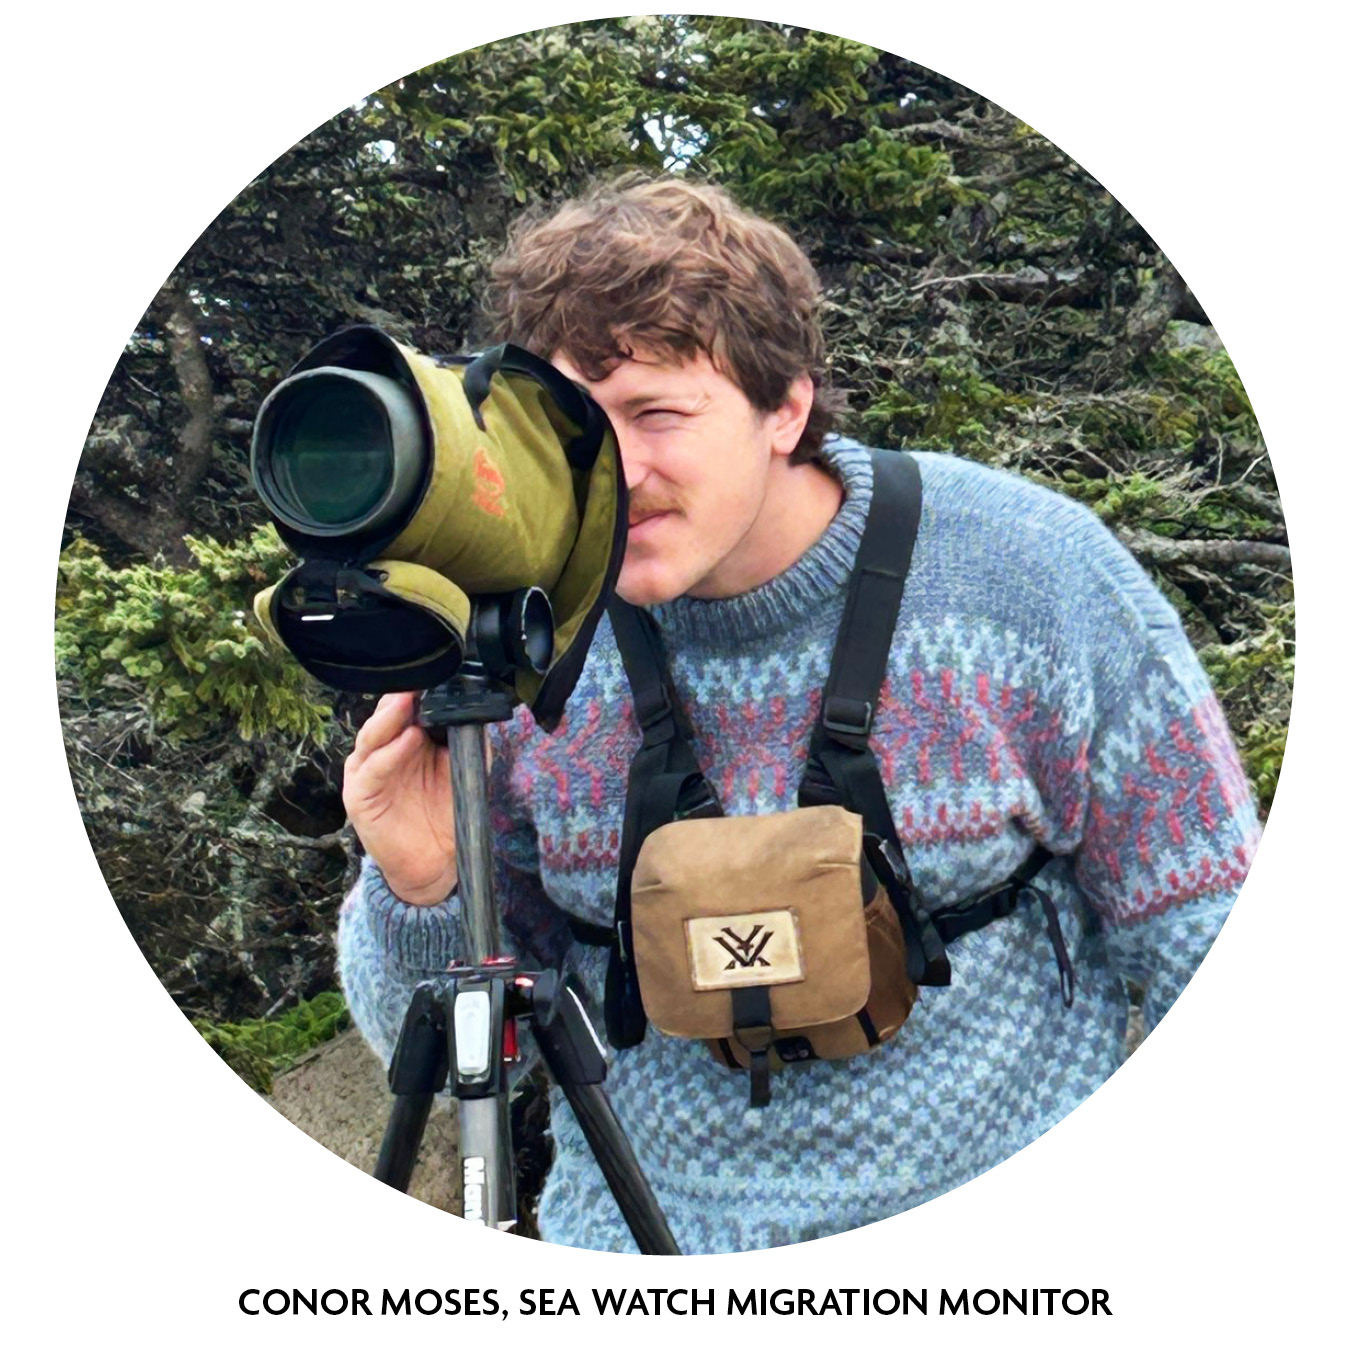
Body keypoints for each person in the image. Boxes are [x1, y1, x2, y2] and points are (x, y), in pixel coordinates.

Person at [337, 176, 1260, 1253]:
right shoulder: (519, 628)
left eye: (658, 413)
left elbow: (1215, 938)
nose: (615, 472)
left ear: (788, 408)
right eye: (572, 424)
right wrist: (423, 888)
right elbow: (463, 1069)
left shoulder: (1030, 579)